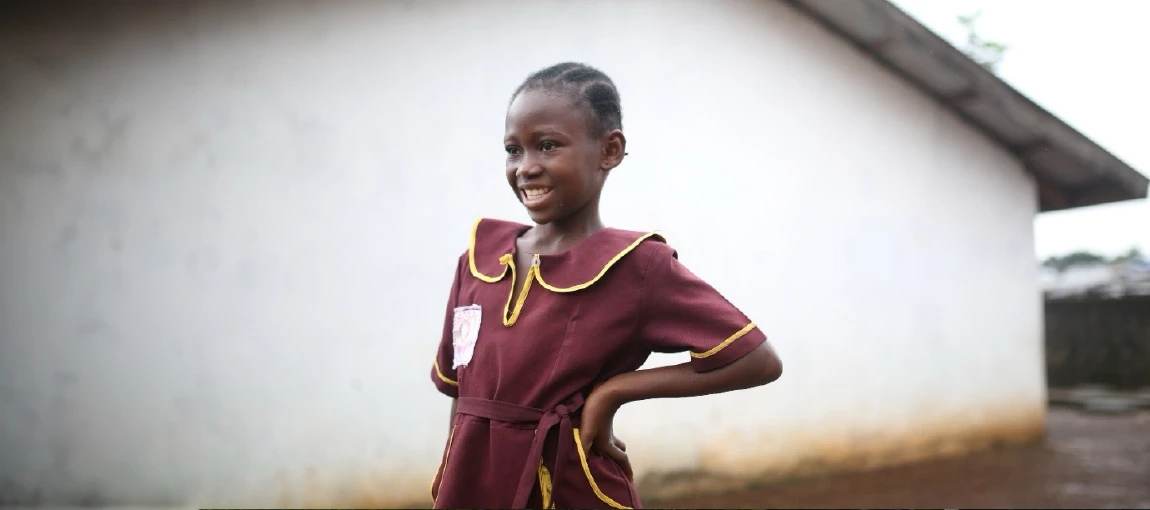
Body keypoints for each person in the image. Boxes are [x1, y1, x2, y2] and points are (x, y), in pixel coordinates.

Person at [428, 62, 783, 509]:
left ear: (610, 150)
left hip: (569, 488)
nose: (526, 167)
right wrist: (451, 482)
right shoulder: (479, 261)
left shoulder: (637, 266)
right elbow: (462, 393)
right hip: (474, 490)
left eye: (547, 145)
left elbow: (756, 359)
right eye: (513, 149)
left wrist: (612, 392)